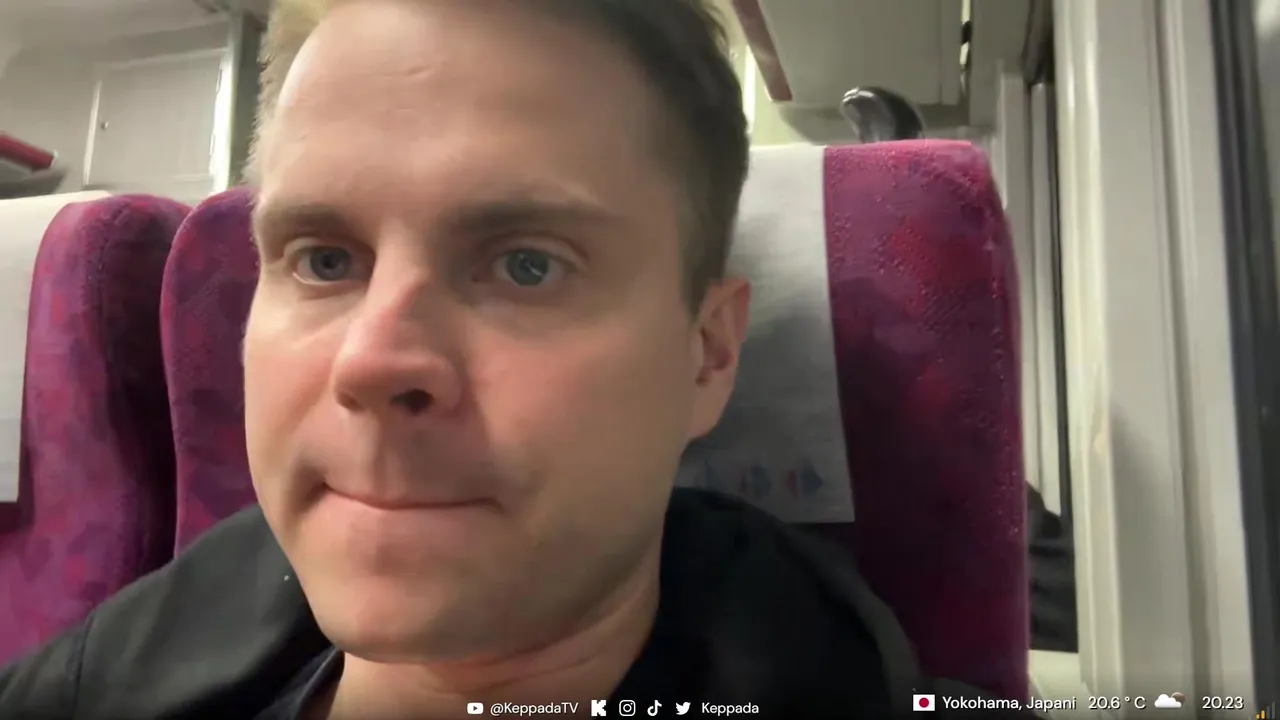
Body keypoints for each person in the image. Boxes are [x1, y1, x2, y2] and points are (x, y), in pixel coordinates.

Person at [0, 0, 1038, 717]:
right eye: (323, 259)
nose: (372, 361)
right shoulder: (134, 653)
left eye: (527, 265)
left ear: (705, 357)